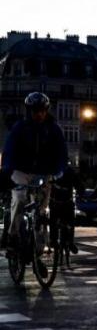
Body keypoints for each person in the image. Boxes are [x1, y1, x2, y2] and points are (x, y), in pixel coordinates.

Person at [1, 92, 67, 276]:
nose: (38, 114)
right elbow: (9, 150)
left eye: (42, 110)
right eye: (35, 110)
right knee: (20, 199)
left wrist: (60, 171)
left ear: (46, 111)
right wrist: (7, 170)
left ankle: (38, 254)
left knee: (41, 213)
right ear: (29, 111)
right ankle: (13, 237)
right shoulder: (20, 128)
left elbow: (62, 153)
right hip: (21, 171)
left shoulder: (54, 129)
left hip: (44, 173)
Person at [49, 163, 85, 254]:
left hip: (61, 202)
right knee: (65, 221)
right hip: (60, 202)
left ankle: (57, 240)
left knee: (56, 220)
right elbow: (79, 185)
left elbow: (78, 184)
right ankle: (68, 242)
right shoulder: (65, 171)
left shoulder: (54, 169)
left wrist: (80, 192)